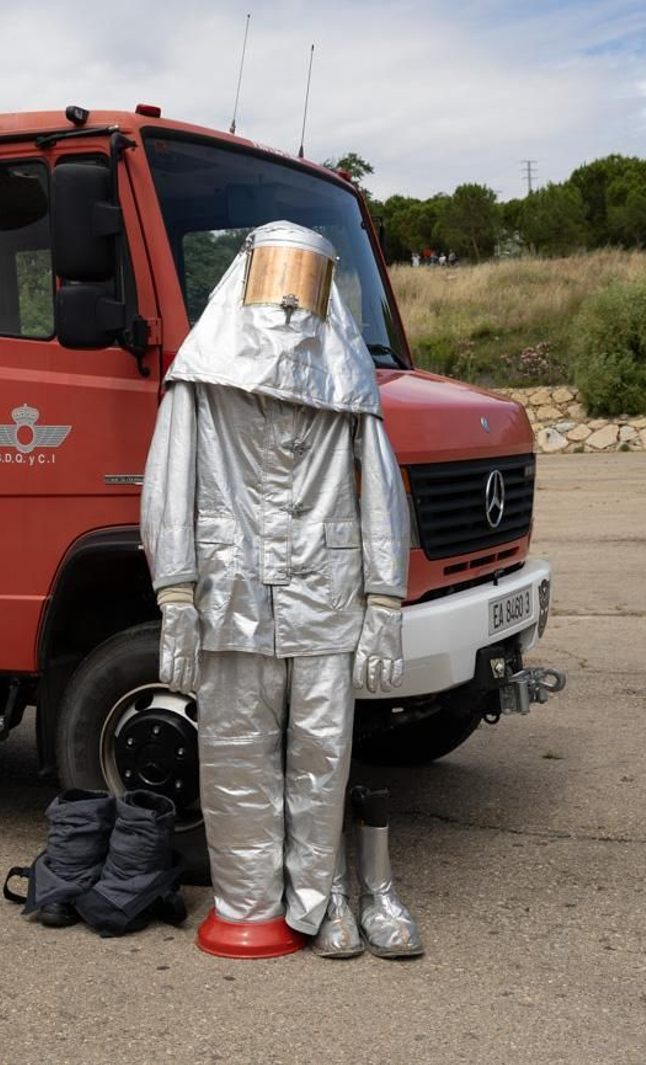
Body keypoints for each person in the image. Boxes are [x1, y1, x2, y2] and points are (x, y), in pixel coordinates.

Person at [140, 221, 412, 956]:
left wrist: (384, 602)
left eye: (308, 280)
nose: (292, 301)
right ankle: (246, 901)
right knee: (234, 753)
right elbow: (167, 485)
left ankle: (318, 902)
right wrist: (174, 596)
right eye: (278, 277)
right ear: (246, 278)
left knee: (322, 753)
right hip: (230, 596)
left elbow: (383, 493)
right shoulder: (200, 375)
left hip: (326, 593)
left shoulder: (349, 384)